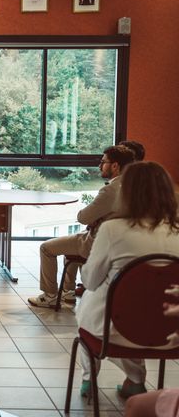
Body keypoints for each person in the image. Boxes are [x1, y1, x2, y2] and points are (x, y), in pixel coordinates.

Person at [76, 161, 179, 399]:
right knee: (142, 306)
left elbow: (90, 280)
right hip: (170, 332)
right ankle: (134, 381)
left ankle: (89, 379)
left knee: (100, 303)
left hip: (115, 331)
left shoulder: (113, 229)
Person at [28, 145, 135, 308]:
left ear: (115, 165)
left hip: (96, 242)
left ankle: (50, 296)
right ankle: (68, 293)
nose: (100, 166)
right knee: (68, 244)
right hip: (121, 243)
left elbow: (83, 217)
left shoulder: (110, 190)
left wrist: (94, 218)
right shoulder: (135, 187)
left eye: (103, 162)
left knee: (46, 248)